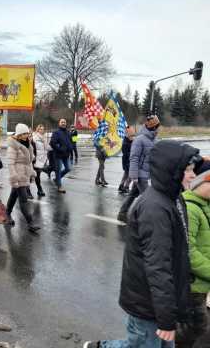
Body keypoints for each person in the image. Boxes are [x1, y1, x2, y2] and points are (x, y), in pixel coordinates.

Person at [83, 140, 200, 348]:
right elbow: (158, 266)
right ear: (172, 171)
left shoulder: (173, 198)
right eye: (188, 170)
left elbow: (176, 252)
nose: (193, 175)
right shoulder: (154, 208)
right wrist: (166, 318)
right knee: (139, 344)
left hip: (160, 301)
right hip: (147, 303)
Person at [175, 161, 210, 348]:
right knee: (195, 326)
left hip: (201, 284)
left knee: (195, 326)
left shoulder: (204, 205)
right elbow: (189, 250)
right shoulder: (191, 208)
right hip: (193, 285)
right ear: (198, 182)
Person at [117, 115, 160, 222]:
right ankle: (139, 218)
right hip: (140, 175)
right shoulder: (139, 140)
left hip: (147, 174)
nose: (159, 128)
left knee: (132, 194)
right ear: (154, 127)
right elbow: (134, 158)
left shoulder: (154, 140)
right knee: (147, 198)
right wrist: (134, 176)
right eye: (157, 126)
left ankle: (122, 213)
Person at [5, 123, 40, 233]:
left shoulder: (28, 144)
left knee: (13, 195)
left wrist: (31, 172)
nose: (27, 135)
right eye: (24, 133)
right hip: (18, 175)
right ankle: (30, 223)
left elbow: (29, 161)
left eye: (27, 133)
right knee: (23, 200)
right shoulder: (13, 146)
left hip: (25, 174)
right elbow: (10, 163)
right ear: (19, 134)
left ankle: (7, 214)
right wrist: (14, 177)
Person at [50, 118, 73, 193]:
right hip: (58, 155)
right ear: (59, 123)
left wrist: (70, 148)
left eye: (64, 122)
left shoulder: (68, 132)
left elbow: (70, 141)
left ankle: (57, 178)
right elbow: (52, 143)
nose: (63, 123)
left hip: (66, 155)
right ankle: (59, 186)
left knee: (68, 168)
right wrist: (60, 149)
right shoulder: (56, 133)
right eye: (62, 122)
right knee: (58, 170)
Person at [118, 126, 135, 194]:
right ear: (127, 135)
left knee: (126, 174)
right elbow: (126, 153)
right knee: (131, 175)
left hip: (128, 160)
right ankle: (126, 187)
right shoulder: (125, 143)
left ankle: (121, 185)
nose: (132, 138)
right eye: (131, 136)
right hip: (127, 161)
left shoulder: (130, 141)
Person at [32, 124, 48, 197]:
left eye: (43, 129)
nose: (42, 130)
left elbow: (46, 148)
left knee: (37, 175)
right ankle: (39, 189)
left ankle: (38, 189)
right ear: (37, 130)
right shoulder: (34, 137)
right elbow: (33, 148)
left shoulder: (44, 138)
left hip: (42, 159)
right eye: (40, 129)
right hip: (36, 159)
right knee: (36, 175)